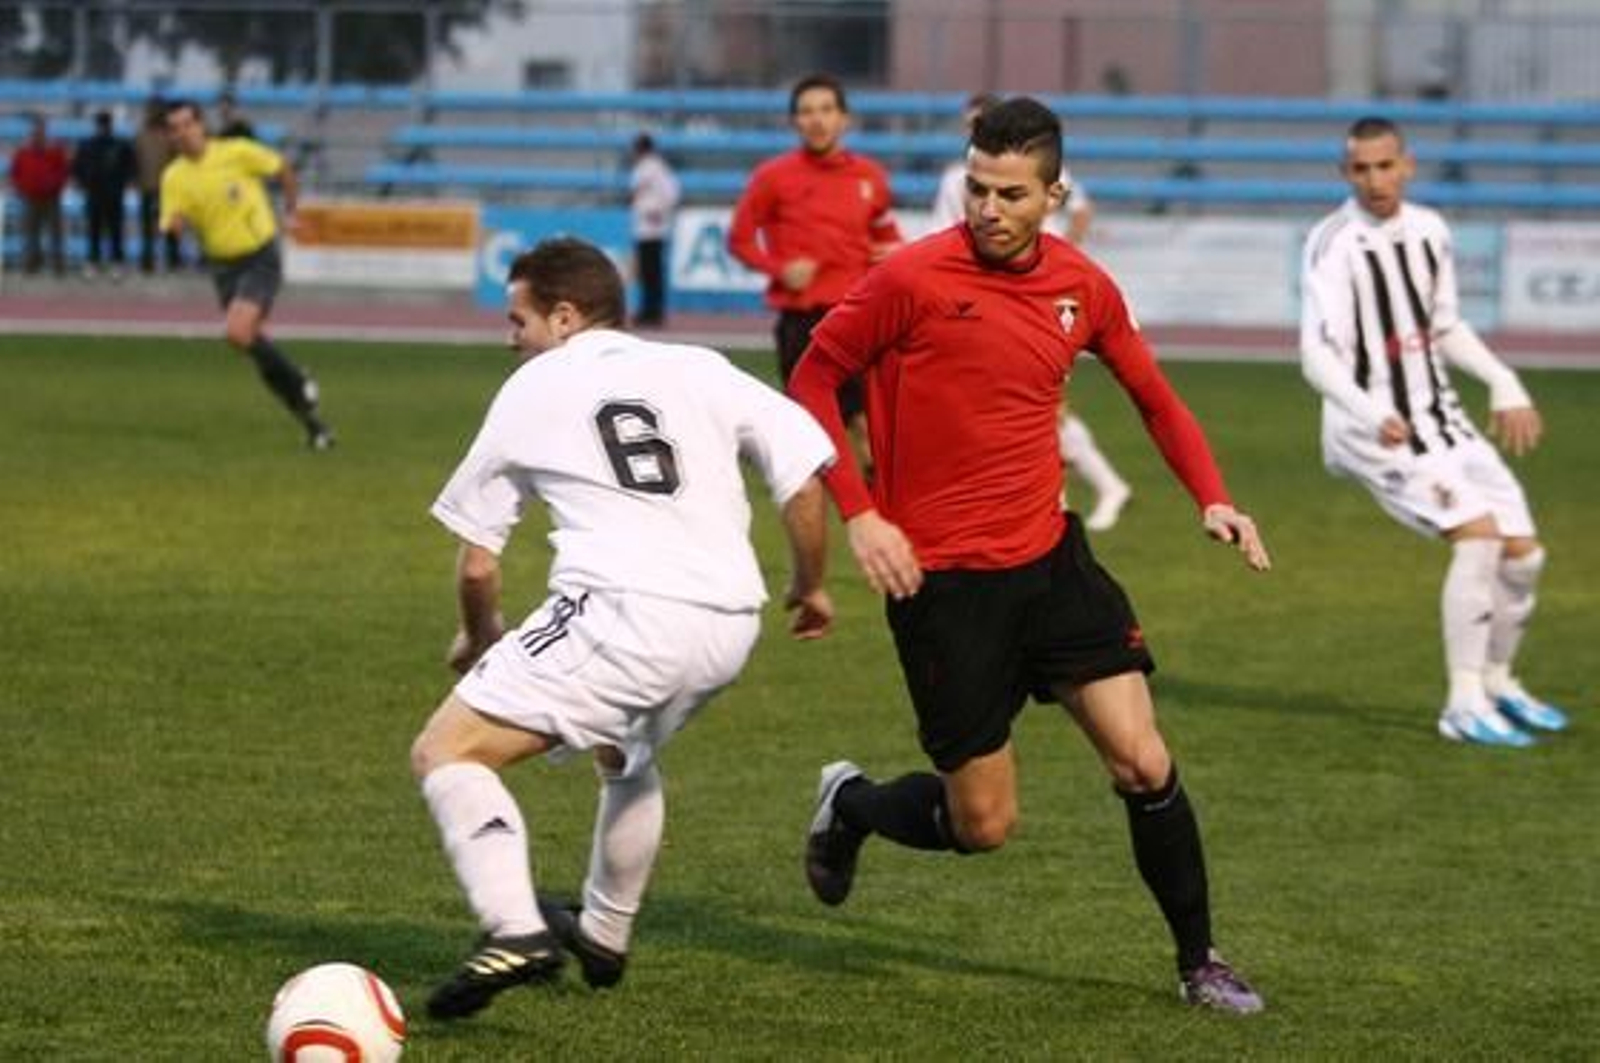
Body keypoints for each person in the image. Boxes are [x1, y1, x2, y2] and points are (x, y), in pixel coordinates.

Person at [788, 96, 1272, 1014]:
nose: (986, 208)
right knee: (984, 826)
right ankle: (851, 803)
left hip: (1051, 563)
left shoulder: (1084, 288)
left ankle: (1200, 958)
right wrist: (860, 512)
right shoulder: (911, 280)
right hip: (942, 585)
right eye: (976, 188)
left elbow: (1154, 398)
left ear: (1055, 193)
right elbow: (812, 377)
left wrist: (1213, 495)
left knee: (1143, 761)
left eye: (1010, 193)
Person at [411, 237, 836, 1020]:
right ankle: (603, 933)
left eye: (519, 318)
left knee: (448, 750)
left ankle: (515, 930)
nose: (511, 337)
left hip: (624, 608)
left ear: (564, 317)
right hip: (728, 623)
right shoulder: (700, 366)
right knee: (625, 749)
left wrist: (480, 636)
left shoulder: (535, 385)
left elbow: (477, 564)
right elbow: (804, 471)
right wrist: (809, 585)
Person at [1299, 116, 1567, 748]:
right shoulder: (1333, 243)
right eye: (1360, 169)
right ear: (1346, 173)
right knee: (1477, 537)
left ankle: (1499, 682)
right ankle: (1463, 703)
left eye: (1385, 165)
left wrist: (1504, 381)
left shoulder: (1429, 231)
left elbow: (1443, 326)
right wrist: (1368, 413)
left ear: (1407, 165)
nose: (1374, 179)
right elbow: (1315, 354)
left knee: (1525, 555)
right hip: (1371, 429)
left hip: (1439, 417)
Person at [934, 92, 1130, 531]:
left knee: (1041, 404)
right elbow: (943, 233)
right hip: (988, 296)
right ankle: (1087, 492)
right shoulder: (957, 180)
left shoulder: (1041, 164)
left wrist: (1064, 260)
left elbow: (1082, 209)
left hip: (1044, 297)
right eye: (971, 125)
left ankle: (1065, 502)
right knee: (1019, 404)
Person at [728, 72, 901, 475]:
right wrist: (780, 270)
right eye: (806, 112)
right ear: (794, 122)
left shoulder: (870, 177)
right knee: (811, 434)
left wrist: (894, 255)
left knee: (867, 424)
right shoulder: (772, 177)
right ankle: (835, 507)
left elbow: (886, 233)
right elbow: (739, 240)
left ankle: (878, 512)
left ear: (844, 119)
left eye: (826, 110)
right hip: (802, 323)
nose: (817, 120)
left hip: (859, 316)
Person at [159, 99, 333, 449]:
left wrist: (291, 212)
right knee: (249, 342)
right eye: (174, 128)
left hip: (259, 257)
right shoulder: (174, 176)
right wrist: (174, 227)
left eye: (186, 124)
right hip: (222, 267)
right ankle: (314, 425)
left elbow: (282, 169)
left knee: (238, 333)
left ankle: (299, 382)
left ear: (200, 126)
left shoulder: (236, 152)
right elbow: (170, 221)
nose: (181, 133)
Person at [71, 110, 137, 281]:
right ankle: (93, 263)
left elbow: (130, 167)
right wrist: (82, 182)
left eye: (105, 124)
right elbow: (77, 166)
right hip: (94, 195)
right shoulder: (87, 145)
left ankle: (117, 264)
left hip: (114, 195)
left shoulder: (120, 145)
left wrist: (125, 183)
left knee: (115, 232)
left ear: (110, 125)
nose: (103, 128)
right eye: (101, 124)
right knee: (94, 231)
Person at [628, 132, 680, 327]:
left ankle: (653, 312)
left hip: (652, 228)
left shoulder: (654, 168)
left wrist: (658, 211)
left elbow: (672, 192)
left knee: (652, 272)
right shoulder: (646, 167)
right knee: (648, 272)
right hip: (643, 227)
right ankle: (648, 310)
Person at [8, 114, 70, 277]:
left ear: (45, 130)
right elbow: (15, 172)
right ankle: (30, 266)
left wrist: (56, 186)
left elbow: (63, 171)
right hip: (30, 197)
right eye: (35, 129)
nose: (38, 132)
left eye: (41, 129)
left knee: (55, 233)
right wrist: (21, 188)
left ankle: (58, 267)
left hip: (51, 197)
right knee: (30, 233)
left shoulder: (55, 150)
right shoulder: (23, 151)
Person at [134, 96, 183, 273]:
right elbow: (136, 159)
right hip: (147, 186)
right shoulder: (141, 134)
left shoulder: (170, 133)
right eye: (151, 108)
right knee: (147, 228)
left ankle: (174, 261)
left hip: (168, 189)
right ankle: (147, 262)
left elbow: (178, 159)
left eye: (156, 108)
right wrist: (137, 180)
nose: (153, 112)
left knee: (170, 227)